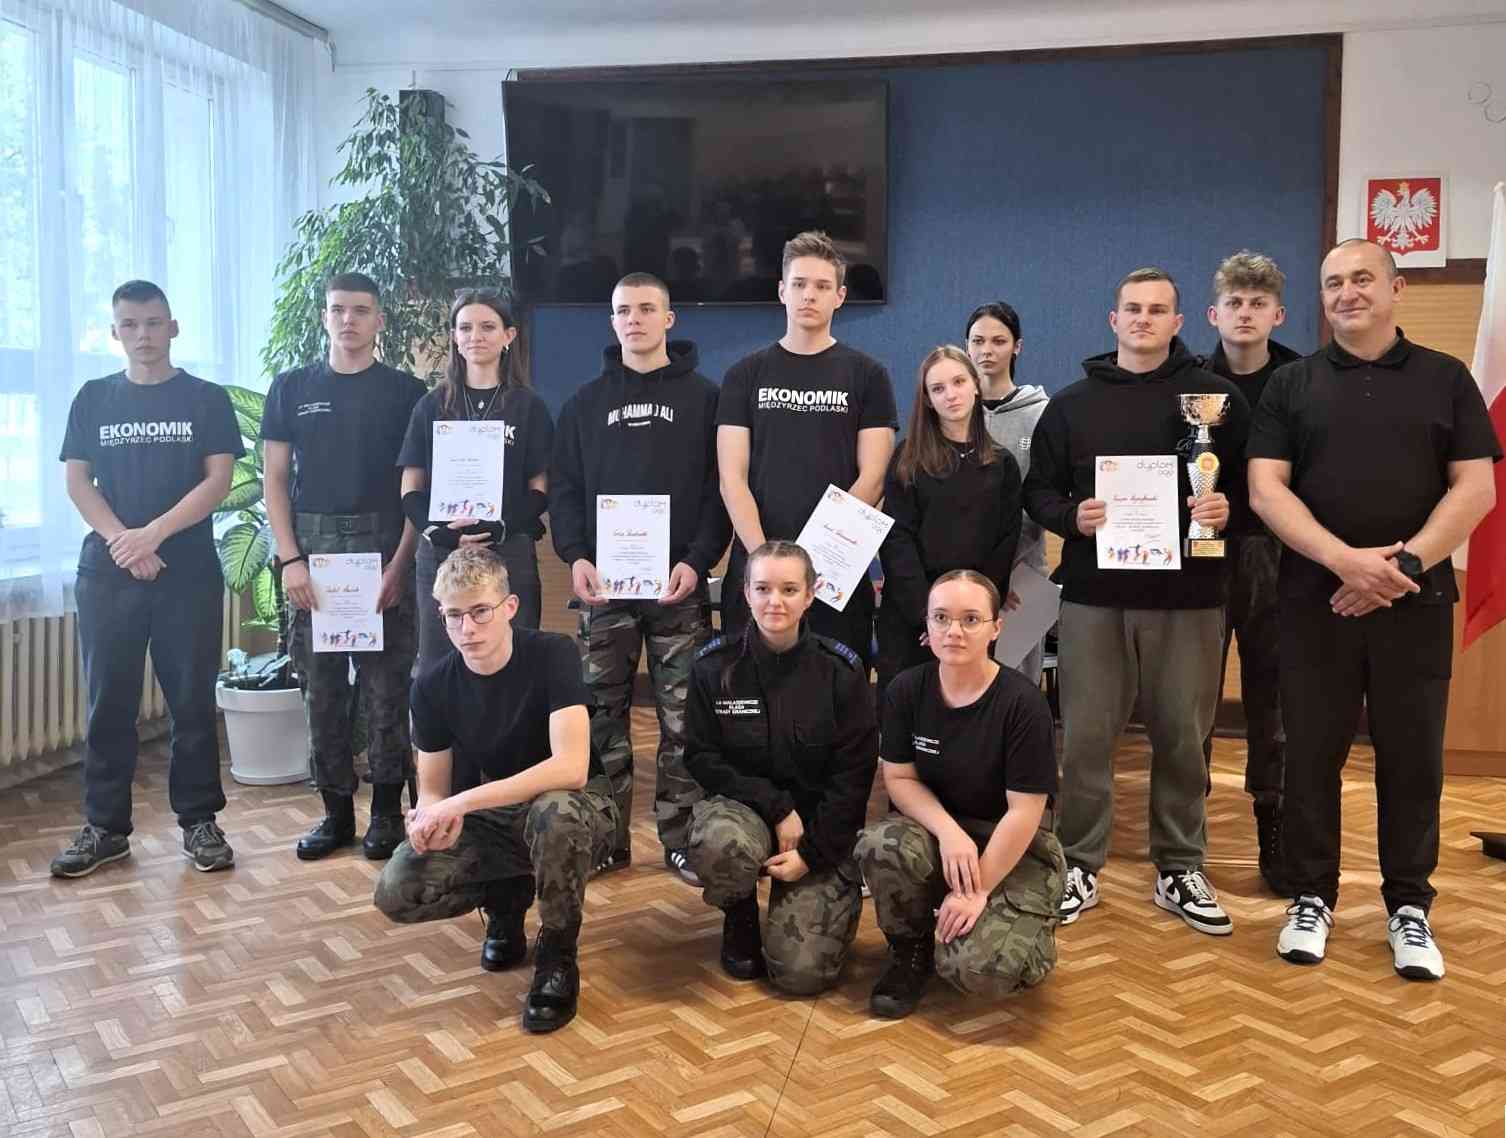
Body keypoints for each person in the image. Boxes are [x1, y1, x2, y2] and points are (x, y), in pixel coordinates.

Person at [1248, 239, 1500, 981]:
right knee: (1310, 755)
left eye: (1363, 278)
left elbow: (1476, 489)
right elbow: (1266, 490)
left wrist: (1402, 566)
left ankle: (1409, 907)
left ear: (1396, 290)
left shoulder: (1446, 379)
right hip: (1314, 601)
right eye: (1333, 282)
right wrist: (1345, 562)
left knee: (1412, 759)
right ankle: (1311, 897)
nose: (1347, 292)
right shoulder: (1290, 384)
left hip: (1415, 603)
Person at [1023, 267, 1249, 936]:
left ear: (1178, 322)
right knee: (1087, 738)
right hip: (1095, 598)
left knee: (1183, 737)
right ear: (1114, 320)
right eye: (1133, 309)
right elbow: (1037, 493)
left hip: (1191, 598)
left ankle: (1180, 864)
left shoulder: (1218, 400)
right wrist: (1072, 518)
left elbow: (1258, 488)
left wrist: (1227, 509)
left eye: (1157, 309)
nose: (1144, 319)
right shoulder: (1072, 405)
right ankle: (1078, 861)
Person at [373, 546, 616, 1033]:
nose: (467, 628)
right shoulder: (431, 685)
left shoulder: (552, 654)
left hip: (579, 812)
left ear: (509, 607)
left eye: (481, 611)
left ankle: (557, 955)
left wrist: (461, 803)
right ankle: (506, 900)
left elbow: (570, 768)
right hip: (496, 818)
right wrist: (429, 820)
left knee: (555, 814)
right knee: (398, 889)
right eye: (454, 616)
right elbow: (433, 788)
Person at [52, 280, 242, 877]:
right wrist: (124, 541)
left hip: (187, 571)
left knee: (191, 701)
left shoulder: (205, 398)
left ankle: (199, 821)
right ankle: (105, 828)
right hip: (108, 573)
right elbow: (78, 481)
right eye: (130, 325)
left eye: (154, 323)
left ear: (173, 327)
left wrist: (152, 535)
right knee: (108, 702)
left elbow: (217, 481)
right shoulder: (93, 398)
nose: (143, 335)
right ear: (115, 332)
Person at [549, 273, 730, 883]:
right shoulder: (582, 404)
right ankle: (608, 839)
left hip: (679, 586)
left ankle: (679, 839)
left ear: (669, 319)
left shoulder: (707, 400)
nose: (635, 319)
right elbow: (565, 493)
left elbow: (719, 492)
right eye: (624, 310)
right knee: (600, 718)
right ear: (612, 321)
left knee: (684, 720)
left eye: (647, 309)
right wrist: (575, 556)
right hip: (605, 590)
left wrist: (698, 561)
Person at [262, 272, 425, 861]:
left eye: (361, 310)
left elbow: (418, 489)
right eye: (338, 310)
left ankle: (386, 812)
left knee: (387, 692)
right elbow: (274, 479)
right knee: (322, 692)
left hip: (384, 554)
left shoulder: (407, 392)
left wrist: (401, 564)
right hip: (313, 558)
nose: (348, 320)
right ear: (324, 317)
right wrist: (290, 560)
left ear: (379, 319)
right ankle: (334, 813)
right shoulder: (291, 388)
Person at [856, 570, 1064, 1017]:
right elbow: (900, 779)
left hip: (1010, 846)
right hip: (939, 837)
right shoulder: (905, 690)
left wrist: (978, 888)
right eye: (941, 618)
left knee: (980, 971)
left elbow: (1025, 812)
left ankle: (1022, 924)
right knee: (880, 843)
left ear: (996, 627)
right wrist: (950, 833)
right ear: (927, 625)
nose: (954, 631)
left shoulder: (1022, 704)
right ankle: (909, 951)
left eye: (971, 619)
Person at [683, 540, 877, 994]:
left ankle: (820, 901)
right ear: (745, 593)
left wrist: (813, 853)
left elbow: (854, 778)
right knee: (719, 840)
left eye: (789, 590)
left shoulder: (840, 671)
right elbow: (701, 757)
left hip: (819, 827)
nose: (775, 601)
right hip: (746, 815)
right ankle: (740, 912)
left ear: (811, 595)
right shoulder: (713, 667)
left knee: (801, 974)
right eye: (763, 588)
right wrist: (776, 807)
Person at [717, 230, 898, 664]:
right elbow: (731, 478)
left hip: (834, 572)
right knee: (748, 694)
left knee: (838, 690)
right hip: (757, 569)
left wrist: (812, 565)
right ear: (782, 291)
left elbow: (874, 477)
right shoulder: (744, 374)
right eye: (799, 284)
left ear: (840, 296)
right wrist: (769, 564)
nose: (809, 295)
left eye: (821, 286)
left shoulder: (868, 375)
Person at [1202, 251, 1302, 894]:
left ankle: (1275, 820)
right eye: (1234, 303)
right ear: (1213, 314)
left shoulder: (1303, 381)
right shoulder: (1188, 380)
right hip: (1202, 553)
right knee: (1191, 698)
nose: (1245, 313)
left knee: (1275, 697)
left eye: (1257, 304)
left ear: (1277, 314)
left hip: (1278, 553)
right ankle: (1185, 828)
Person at [400, 289, 552, 671]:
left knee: (515, 663)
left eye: (487, 327)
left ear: (508, 336)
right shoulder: (431, 405)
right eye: (465, 328)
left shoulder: (529, 406)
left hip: (508, 549)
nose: (475, 336)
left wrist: (503, 526)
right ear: (454, 336)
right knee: (439, 667)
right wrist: (438, 532)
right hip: (441, 552)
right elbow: (410, 489)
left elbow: (540, 490)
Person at [878, 345, 1020, 705]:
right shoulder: (908, 459)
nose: (951, 395)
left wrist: (973, 616)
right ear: (927, 400)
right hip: (913, 618)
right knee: (908, 712)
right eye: (938, 388)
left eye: (958, 382)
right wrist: (931, 618)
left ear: (976, 386)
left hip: (973, 621)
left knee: (969, 710)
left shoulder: (1002, 464)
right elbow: (897, 540)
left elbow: (1005, 543)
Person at [967, 301, 1051, 684]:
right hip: (963, 571)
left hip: (1022, 572)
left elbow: (1043, 497)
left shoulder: (1042, 414)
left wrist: (1005, 566)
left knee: (1017, 684)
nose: (987, 350)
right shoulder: (951, 411)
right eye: (978, 341)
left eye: (998, 341)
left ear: (1017, 346)